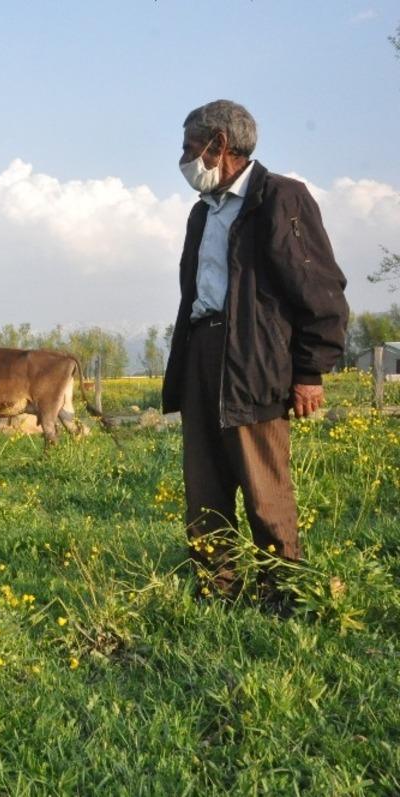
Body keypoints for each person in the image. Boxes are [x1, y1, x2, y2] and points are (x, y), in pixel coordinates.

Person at [161, 100, 349, 607]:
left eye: (189, 148)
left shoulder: (279, 198)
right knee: (204, 485)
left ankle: (284, 595)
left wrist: (310, 370)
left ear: (219, 145)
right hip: (202, 349)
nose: (183, 159)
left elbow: (319, 288)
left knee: (264, 484)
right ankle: (218, 590)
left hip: (254, 359)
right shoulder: (203, 214)